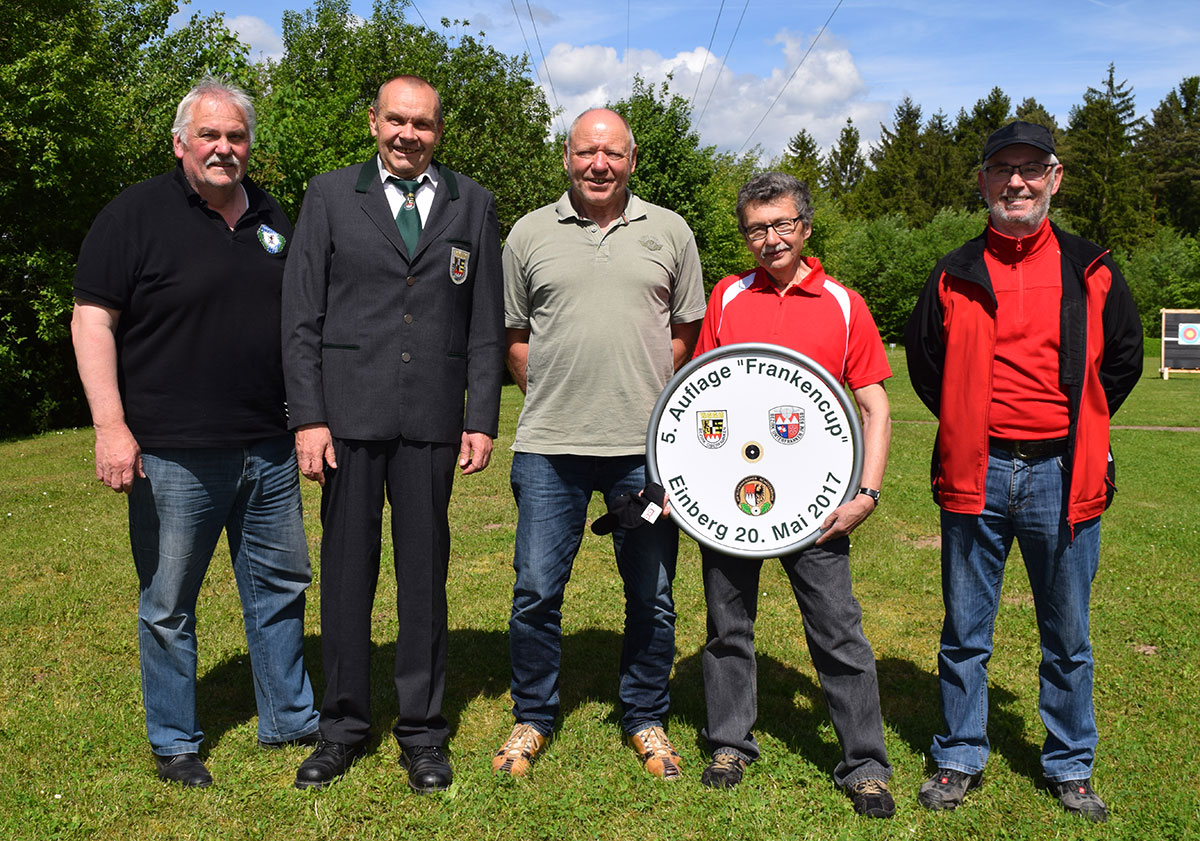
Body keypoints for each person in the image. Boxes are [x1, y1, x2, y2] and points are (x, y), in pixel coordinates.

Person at [71, 77, 320, 788]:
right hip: (171, 451)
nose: (223, 147)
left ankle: (289, 718)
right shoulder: (134, 215)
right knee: (169, 600)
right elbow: (92, 320)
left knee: (279, 586)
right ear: (180, 142)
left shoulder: (271, 216)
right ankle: (176, 740)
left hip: (266, 444)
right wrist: (111, 426)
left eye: (236, 136)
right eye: (209, 136)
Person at [905, 121, 1143, 822]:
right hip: (974, 473)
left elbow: (1123, 358)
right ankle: (958, 754)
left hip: (1062, 477)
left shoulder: (1091, 267)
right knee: (965, 631)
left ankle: (1070, 764)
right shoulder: (954, 271)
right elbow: (925, 364)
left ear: (1054, 178)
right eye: (1002, 168)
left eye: (1031, 168)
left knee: (1067, 635)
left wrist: (1085, 420)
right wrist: (968, 419)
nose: (1017, 181)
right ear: (982, 182)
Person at [281, 75, 503, 793]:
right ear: (374, 122)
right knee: (347, 575)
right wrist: (309, 416)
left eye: (424, 124)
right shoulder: (328, 196)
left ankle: (423, 731)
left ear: (440, 130)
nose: (409, 134)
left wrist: (479, 416)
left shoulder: (473, 203)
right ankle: (343, 725)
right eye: (397, 121)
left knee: (423, 579)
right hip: (346, 419)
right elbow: (301, 316)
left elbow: (483, 325)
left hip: (433, 421)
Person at [492, 108, 706, 779]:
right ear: (567, 155)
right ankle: (533, 714)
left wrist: (646, 403)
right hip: (550, 448)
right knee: (534, 590)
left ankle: (644, 714)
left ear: (632, 160)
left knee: (652, 591)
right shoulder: (528, 233)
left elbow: (684, 333)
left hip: (643, 456)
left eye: (613, 153)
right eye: (588, 151)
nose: (599, 164)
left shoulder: (670, 230)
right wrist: (554, 393)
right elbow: (515, 335)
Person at [689, 172, 896, 817]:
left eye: (781, 225)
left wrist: (866, 492)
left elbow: (874, 403)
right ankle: (728, 743)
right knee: (728, 628)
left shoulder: (843, 303)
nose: (770, 239)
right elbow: (699, 397)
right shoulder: (727, 296)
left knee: (837, 633)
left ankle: (864, 764)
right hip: (734, 494)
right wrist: (688, 478)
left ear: (804, 228)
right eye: (757, 228)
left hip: (816, 499)